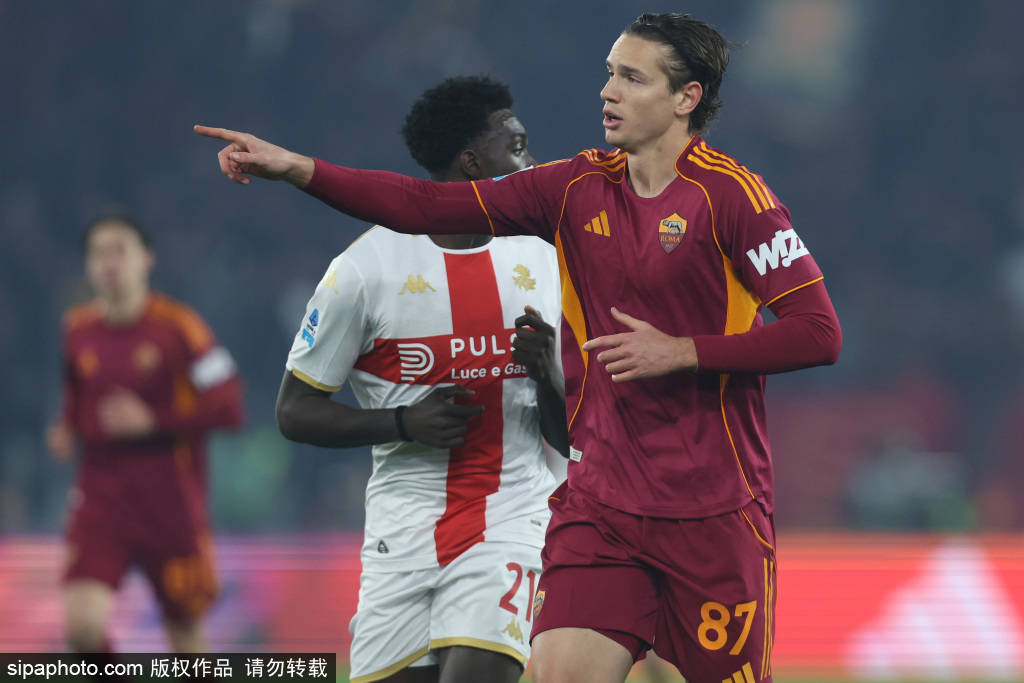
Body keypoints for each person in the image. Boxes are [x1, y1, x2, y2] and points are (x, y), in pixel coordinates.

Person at [195, 12, 842, 683]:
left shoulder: (735, 198)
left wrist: (683, 352)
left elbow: (819, 331)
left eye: (631, 77)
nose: (608, 91)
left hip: (712, 510)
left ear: (686, 97)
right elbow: (424, 205)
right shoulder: (573, 187)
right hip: (600, 505)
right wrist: (298, 168)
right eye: (609, 74)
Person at [273, 76, 566, 683]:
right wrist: (404, 422)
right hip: (401, 534)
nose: (532, 163)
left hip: (511, 516)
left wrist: (547, 377)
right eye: (517, 146)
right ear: (472, 161)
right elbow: (294, 412)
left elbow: (570, 437)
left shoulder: (545, 256)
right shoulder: (363, 271)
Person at [46, 211, 244, 654]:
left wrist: (155, 421)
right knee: (82, 629)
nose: (109, 263)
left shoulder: (180, 327)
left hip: (169, 500)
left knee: (186, 639)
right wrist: (67, 426)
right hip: (100, 497)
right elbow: (76, 393)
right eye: (99, 253)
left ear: (146, 259)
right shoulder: (76, 330)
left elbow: (229, 406)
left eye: (120, 250)